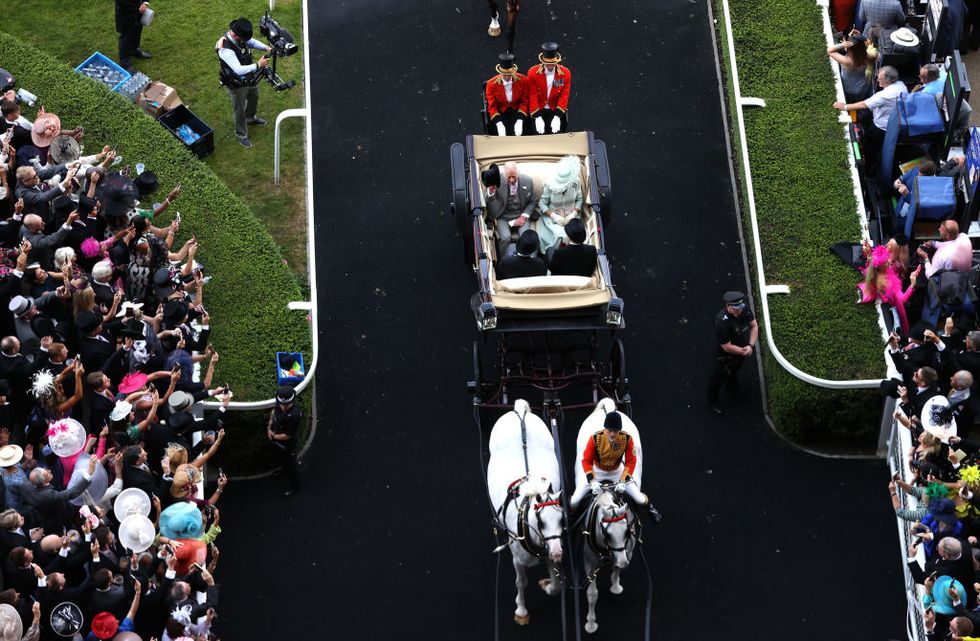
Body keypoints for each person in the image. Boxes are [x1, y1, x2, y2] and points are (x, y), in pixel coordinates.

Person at [570, 412, 661, 521]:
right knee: (574, 501)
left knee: (639, 499)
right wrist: (592, 481)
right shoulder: (595, 438)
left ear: (619, 430)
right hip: (597, 471)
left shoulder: (627, 439)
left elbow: (631, 461)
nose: (612, 434)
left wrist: (623, 480)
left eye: (615, 431)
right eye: (609, 431)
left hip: (617, 471)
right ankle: (573, 519)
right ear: (605, 429)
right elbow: (586, 461)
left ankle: (650, 508)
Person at [833, 65, 907, 170]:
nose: (877, 79)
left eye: (879, 78)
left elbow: (864, 104)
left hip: (880, 128)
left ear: (887, 81)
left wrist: (844, 107)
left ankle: (870, 168)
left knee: (870, 147)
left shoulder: (884, 95)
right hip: (893, 124)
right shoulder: (901, 85)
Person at [216, 18, 273, 148]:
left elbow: (251, 42)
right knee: (239, 109)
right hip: (236, 83)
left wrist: (265, 47)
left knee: (254, 96)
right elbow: (238, 70)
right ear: (237, 36)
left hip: (249, 76)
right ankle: (241, 134)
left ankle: (251, 118)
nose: (246, 40)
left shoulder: (239, 37)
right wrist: (258, 64)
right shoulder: (224, 48)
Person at [708, 291, 759, 415]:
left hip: (742, 350)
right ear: (728, 306)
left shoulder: (744, 309)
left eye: (740, 307)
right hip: (725, 356)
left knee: (734, 372)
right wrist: (744, 351)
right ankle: (712, 400)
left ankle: (733, 390)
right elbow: (726, 347)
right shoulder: (721, 321)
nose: (739, 311)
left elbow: (754, 326)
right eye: (736, 308)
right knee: (718, 378)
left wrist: (750, 345)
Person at [484, 161, 538, 259]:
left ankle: (531, 261)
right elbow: (487, 201)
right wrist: (491, 192)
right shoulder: (497, 180)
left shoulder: (528, 181)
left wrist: (524, 216)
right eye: (509, 177)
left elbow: (533, 201)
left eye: (514, 176)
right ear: (504, 175)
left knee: (527, 237)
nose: (512, 180)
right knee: (505, 238)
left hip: (521, 215)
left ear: (518, 172)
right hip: (503, 216)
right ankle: (504, 261)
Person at [536, 155, 583, 256]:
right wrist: (553, 216)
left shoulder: (575, 182)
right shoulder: (549, 185)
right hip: (553, 220)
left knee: (574, 235)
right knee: (560, 235)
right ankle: (553, 256)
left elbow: (579, 199)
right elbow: (542, 204)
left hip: (572, 218)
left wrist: (574, 213)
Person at [527, 43, 572, 135]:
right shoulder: (533, 73)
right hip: (539, 108)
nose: (550, 67)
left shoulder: (565, 73)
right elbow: (532, 95)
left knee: (557, 134)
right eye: (548, 64)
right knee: (537, 133)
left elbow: (564, 95)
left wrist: (557, 116)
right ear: (543, 62)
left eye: (553, 64)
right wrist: (537, 116)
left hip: (555, 109)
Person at [268, 385, 301, 497]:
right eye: (281, 404)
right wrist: (269, 427)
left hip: (288, 445)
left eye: (286, 404)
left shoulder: (294, 415)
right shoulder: (279, 404)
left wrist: (273, 436)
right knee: (282, 460)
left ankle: (294, 486)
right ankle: (283, 470)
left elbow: (287, 436)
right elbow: (273, 412)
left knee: (291, 467)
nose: (283, 407)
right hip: (278, 441)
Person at [484, 53, 529, 137]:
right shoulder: (491, 84)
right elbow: (492, 106)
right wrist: (498, 123)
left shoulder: (523, 80)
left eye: (509, 75)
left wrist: (520, 120)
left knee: (521, 132)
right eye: (504, 75)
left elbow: (524, 102)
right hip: (500, 113)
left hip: (517, 111)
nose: (507, 77)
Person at [827, 31, 871, 104]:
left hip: (849, 89)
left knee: (850, 103)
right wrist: (858, 39)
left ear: (849, 48)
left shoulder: (847, 61)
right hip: (863, 87)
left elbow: (830, 51)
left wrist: (842, 45)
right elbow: (858, 48)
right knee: (859, 103)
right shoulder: (867, 56)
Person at [115, 0, 152, 73]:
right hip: (125, 12)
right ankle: (124, 63)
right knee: (126, 35)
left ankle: (134, 50)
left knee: (137, 28)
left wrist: (145, 3)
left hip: (138, 8)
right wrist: (138, 7)